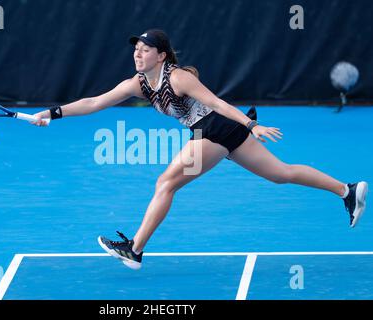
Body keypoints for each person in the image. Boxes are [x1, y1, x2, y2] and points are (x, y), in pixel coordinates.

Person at [32, 29, 368, 270]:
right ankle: (346, 190)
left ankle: (134, 249)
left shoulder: (178, 78)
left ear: (161, 56)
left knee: (166, 183)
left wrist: (251, 126)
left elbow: (217, 103)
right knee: (281, 174)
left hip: (216, 129)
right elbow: (94, 102)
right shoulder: (138, 84)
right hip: (220, 132)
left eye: (146, 49)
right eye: (136, 49)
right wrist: (52, 113)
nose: (138, 53)